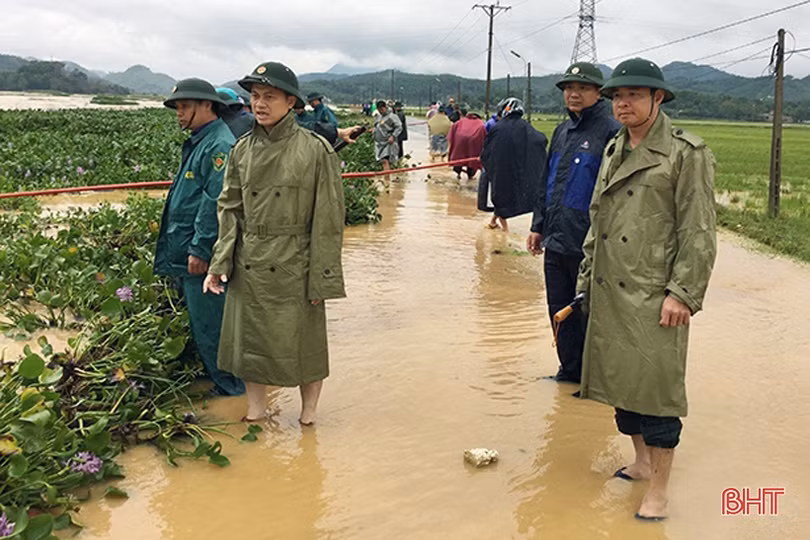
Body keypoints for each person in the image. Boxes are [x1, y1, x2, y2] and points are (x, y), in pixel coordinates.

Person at [576, 58, 717, 521]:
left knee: (656, 394)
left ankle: (660, 490)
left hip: (655, 293)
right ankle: (639, 462)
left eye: (634, 95)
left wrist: (683, 292)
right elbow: (598, 220)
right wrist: (585, 282)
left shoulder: (684, 152)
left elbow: (699, 230)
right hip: (610, 288)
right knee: (620, 386)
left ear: (658, 98)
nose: (623, 103)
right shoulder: (615, 146)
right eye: (617, 96)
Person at [203, 62, 346, 425]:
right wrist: (220, 263)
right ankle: (256, 411)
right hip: (250, 258)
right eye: (255, 96)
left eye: (269, 96)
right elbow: (229, 209)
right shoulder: (241, 149)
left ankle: (309, 415)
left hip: (295, 261)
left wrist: (323, 277)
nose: (260, 103)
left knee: (305, 344)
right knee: (251, 343)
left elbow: (328, 219)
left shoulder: (316, 150)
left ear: (291, 102)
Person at [526, 62, 620, 385]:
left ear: (598, 93)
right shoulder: (562, 132)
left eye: (581, 88)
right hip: (555, 240)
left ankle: (594, 380)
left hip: (589, 244)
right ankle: (568, 373)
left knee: (589, 314)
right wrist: (538, 225)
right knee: (559, 310)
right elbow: (546, 181)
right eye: (568, 88)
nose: (573, 94)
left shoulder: (611, 132)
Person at [153, 78, 245, 396]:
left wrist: (201, 248)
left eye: (184, 107)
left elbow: (216, 201)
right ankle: (220, 379)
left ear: (207, 105)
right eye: (177, 107)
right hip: (186, 246)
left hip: (199, 254)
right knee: (203, 322)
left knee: (212, 325)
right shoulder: (200, 140)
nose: (179, 114)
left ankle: (232, 391)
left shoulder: (218, 145)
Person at [479, 97, 547, 232]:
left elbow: (487, 152)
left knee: (500, 196)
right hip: (521, 170)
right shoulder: (527, 127)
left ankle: (504, 232)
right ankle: (495, 224)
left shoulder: (498, 128)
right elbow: (541, 140)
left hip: (503, 170)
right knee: (506, 198)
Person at [447, 108, 486, 180]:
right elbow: (484, 139)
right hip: (473, 143)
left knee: (458, 158)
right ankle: (470, 176)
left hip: (459, 142)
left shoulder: (460, 122)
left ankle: (457, 174)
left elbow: (450, 137)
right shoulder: (481, 124)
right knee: (472, 160)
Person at [372, 100, 402, 189]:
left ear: (385, 107)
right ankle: (389, 176)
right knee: (383, 161)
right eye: (379, 109)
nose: (381, 111)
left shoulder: (392, 117)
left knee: (385, 160)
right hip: (379, 143)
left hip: (388, 142)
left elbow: (399, 127)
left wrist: (393, 136)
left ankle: (387, 180)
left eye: (382, 109)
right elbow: (377, 126)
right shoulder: (379, 117)